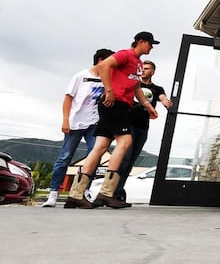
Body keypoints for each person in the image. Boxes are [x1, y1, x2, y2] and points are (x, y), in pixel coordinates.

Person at [64, 31, 159, 209]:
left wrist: (148, 106)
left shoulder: (138, 63)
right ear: (141, 42)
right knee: (125, 142)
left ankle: (76, 194)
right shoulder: (125, 54)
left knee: (100, 147)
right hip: (115, 104)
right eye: (150, 44)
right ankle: (106, 193)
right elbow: (105, 66)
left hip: (121, 105)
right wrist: (109, 91)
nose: (151, 47)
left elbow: (136, 86)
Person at [40, 48, 114, 207]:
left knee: (95, 155)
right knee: (65, 156)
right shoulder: (81, 76)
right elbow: (68, 98)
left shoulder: (108, 79)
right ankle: (53, 192)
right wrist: (65, 120)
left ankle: (84, 190)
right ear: (101, 60)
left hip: (94, 124)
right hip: (76, 122)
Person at [113, 59, 172, 201]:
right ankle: (113, 190)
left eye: (147, 68)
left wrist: (165, 101)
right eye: (143, 68)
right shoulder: (134, 84)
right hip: (128, 123)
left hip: (143, 126)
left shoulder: (157, 88)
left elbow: (162, 97)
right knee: (125, 158)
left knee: (131, 159)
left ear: (153, 71)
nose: (144, 70)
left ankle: (119, 190)